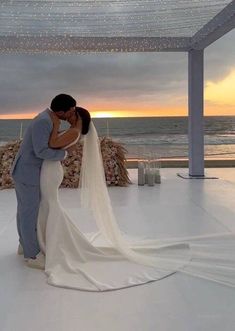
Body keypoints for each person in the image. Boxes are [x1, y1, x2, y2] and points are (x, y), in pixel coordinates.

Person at [11, 94, 77, 269]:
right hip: (28, 173)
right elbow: (41, 151)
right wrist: (64, 154)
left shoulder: (47, 118)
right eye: (70, 111)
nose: (71, 114)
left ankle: (23, 245)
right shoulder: (44, 121)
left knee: (23, 211)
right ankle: (32, 256)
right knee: (28, 214)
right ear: (61, 111)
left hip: (25, 171)